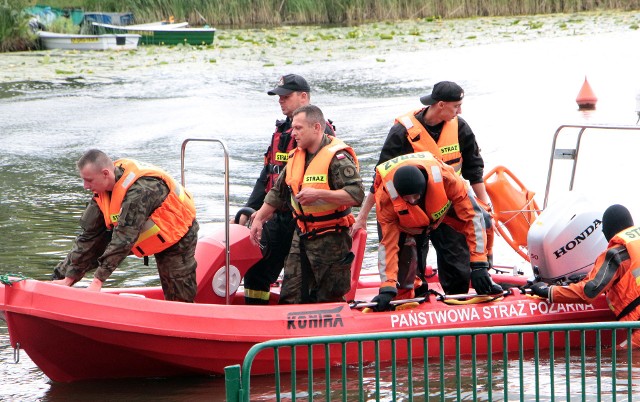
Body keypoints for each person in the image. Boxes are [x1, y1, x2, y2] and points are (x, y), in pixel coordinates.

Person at [353, 80, 494, 295]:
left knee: (458, 262)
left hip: (446, 203)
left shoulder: (460, 128)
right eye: (456, 106)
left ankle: (460, 297)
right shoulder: (401, 132)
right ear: (440, 105)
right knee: (409, 269)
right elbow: (379, 177)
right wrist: (362, 216)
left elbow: (474, 169)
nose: (460, 110)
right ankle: (410, 297)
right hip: (408, 212)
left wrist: (484, 205)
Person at [234, 74, 336, 305]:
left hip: (303, 218)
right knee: (257, 269)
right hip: (276, 216)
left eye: (286, 96)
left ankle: (294, 320)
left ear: (303, 97)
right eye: (279, 96)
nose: (280, 100)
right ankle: (254, 317)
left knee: (297, 277)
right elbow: (267, 175)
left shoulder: (320, 132)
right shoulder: (281, 131)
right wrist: (249, 209)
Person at [249, 104, 364, 304]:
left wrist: (320, 194)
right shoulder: (296, 157)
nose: (294, 134)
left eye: (299, 128)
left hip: (332, 237)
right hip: (301, 235)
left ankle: (330, 333)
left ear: (317, 128)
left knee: (329, 296)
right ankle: (290, 331)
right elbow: (278, 192)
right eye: (293, 128)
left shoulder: (338, 157)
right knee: (290, 294)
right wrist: (259, 218)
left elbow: (356, 194)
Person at [51, 149, 199, 303]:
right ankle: (55, 285)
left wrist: (97, 282)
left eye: (89, 180)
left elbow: (123, 240)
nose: (85, 186)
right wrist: (68, 277)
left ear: (106, 174)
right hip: (138, 231)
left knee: (178, 293)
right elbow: (88, 237)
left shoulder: (139, 192)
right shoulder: (101, 192)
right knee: (86, 250)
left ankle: (185, 316)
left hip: (176, 232)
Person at [371, 152, 501, 311]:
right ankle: (404, 299)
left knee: (484, 220)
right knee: (403, 269)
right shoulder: (386, 198)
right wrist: (387, 287)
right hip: (406, 224)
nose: (412, 201)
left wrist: (479, 265)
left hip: (443, 212)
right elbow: (388, 245)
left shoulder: (447, 179)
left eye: (416, 197)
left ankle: (484, 276)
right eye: (407, 198)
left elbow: (472, 217)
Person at [531, 204, 640, 348]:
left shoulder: (616, 254)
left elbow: (588, 291)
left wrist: (548, 291)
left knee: (613, 361)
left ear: (607, 231)